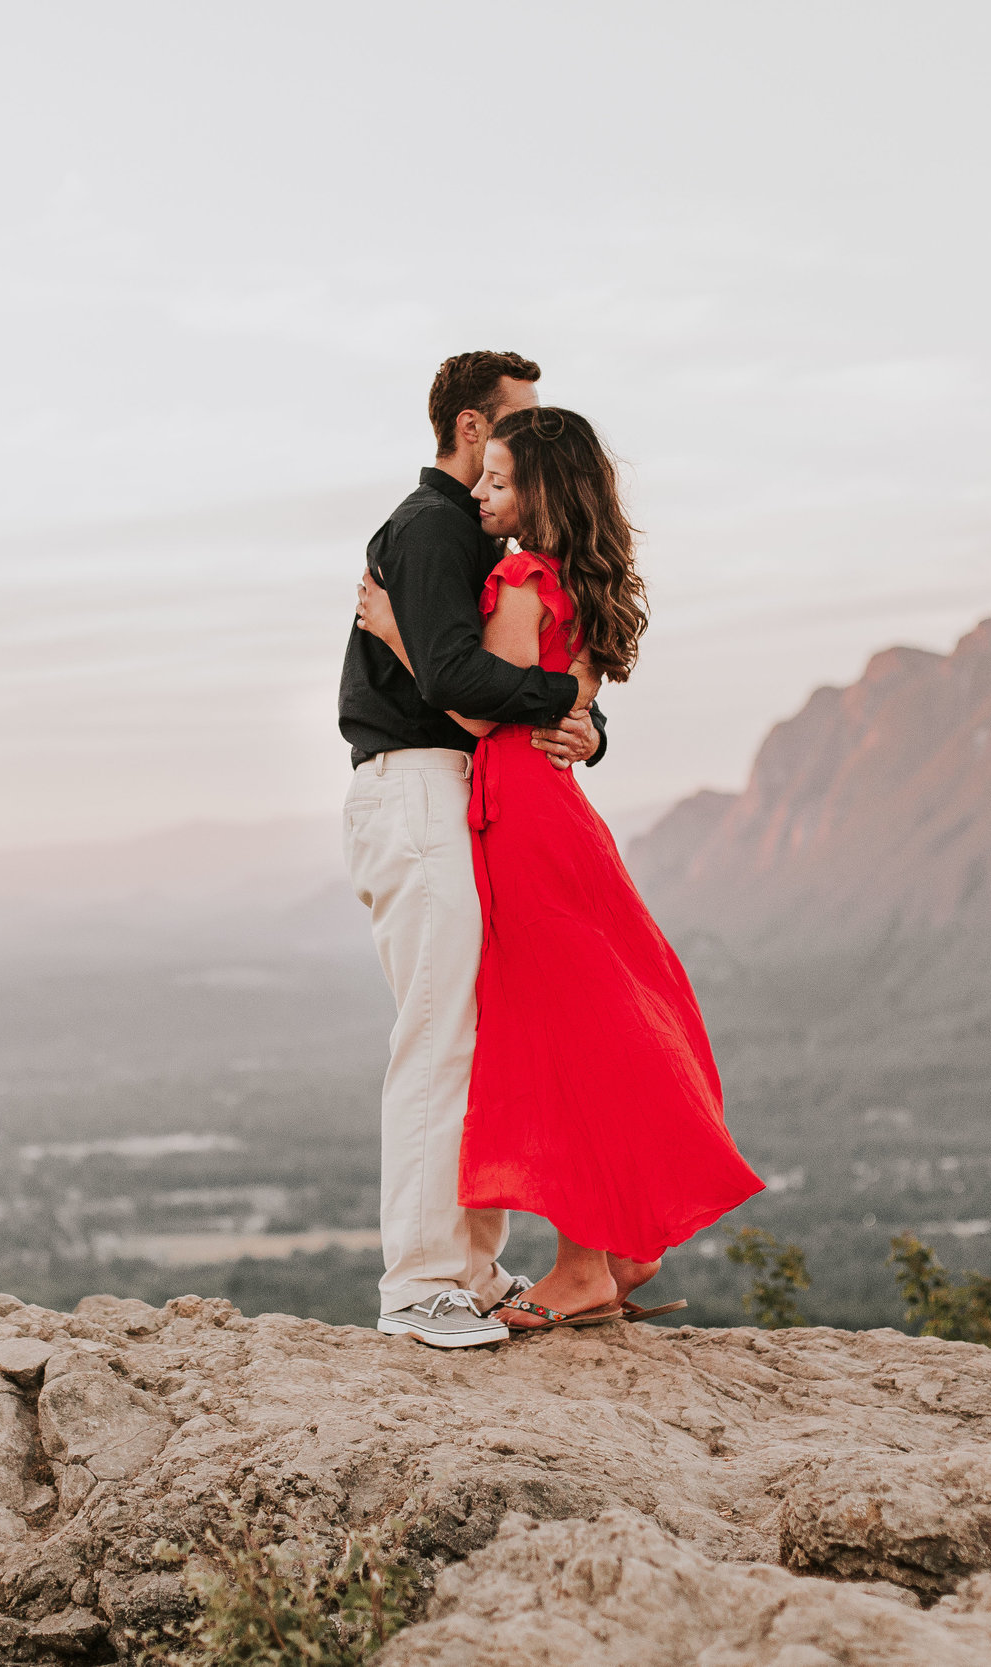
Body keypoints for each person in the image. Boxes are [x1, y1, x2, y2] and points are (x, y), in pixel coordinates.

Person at [355, 405, 764, 1332]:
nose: (485, 494)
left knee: (558, 1028)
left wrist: (394, 635)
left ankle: (588, 1260)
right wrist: (580, 710)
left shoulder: (524, 579)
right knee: (585, 1015)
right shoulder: (572, 581)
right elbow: (555, 689)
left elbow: (470, 710)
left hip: (520, 815)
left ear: (538, 493)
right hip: (547, 809)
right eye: (485, 475)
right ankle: (617, 1245)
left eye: (501, 481)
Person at [339, 351, 605, 1348]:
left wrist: (587, 721)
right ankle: (418, 1284)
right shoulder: (428, 532)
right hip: (413, 782)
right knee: (439, 1034)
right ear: (466, 429)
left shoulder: (482, 540)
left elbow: (520, 667)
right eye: (513, 427)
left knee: (478, 1038)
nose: (528, 446)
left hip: (465, 791)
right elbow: (456, 676)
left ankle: (472, 1269)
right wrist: (567, 702)